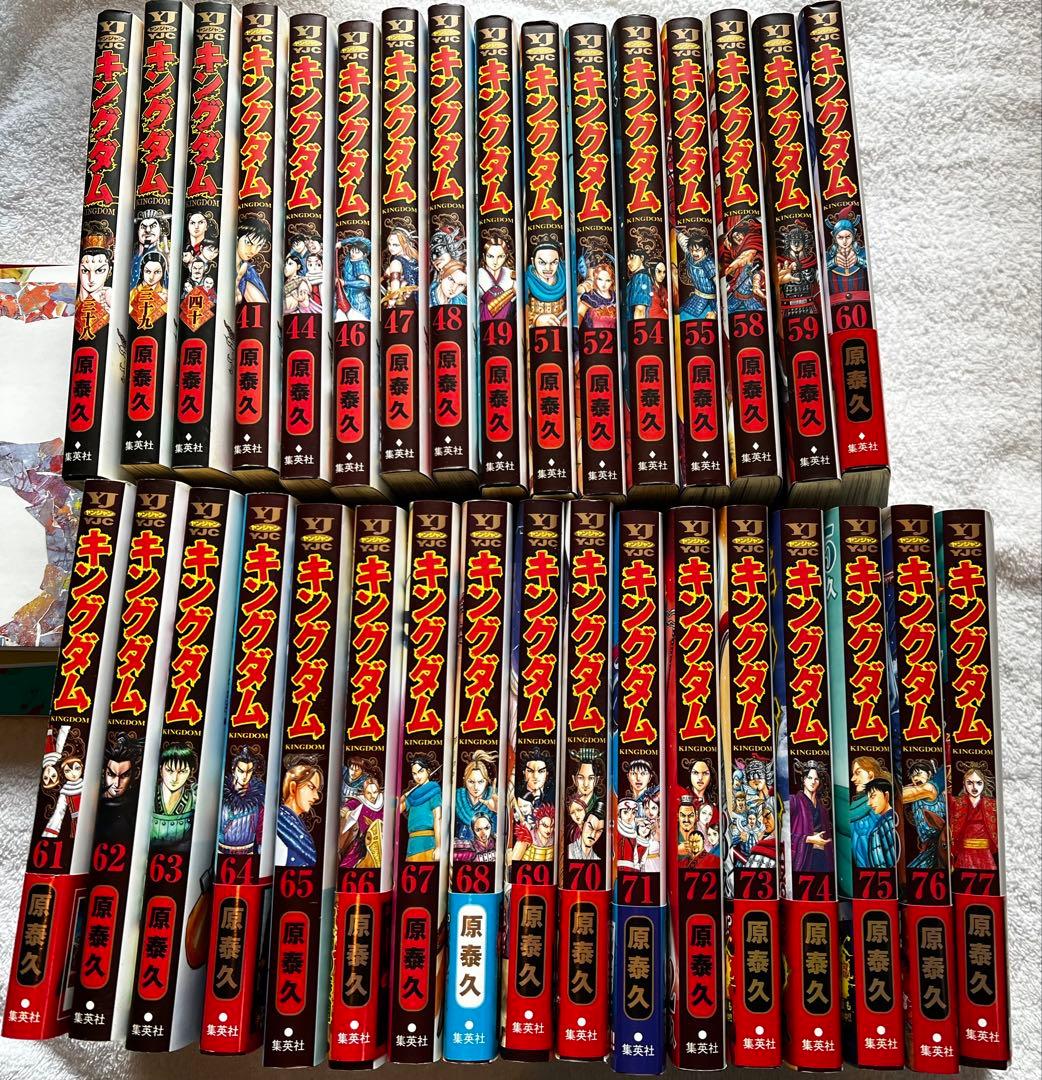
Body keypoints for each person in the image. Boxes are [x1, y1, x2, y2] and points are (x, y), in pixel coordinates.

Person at [218, 745, 265, 857]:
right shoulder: (220, 795)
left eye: (249, 771)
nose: (245, 776)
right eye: (241, 771)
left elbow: (261, 831)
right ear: (234, 770)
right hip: (221, 852)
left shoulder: (258, 800)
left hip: (248, 854)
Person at [948, 765, 998, 871]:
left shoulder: (993, 805)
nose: (974, 787)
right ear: (964, 784)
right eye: (970, 783)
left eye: (979, 783)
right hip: (965, 853)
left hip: (985, 853)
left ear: (984, 784)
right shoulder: (957, 803)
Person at [276, 760, 324, 868]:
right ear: (293, 788)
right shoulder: (280, 823)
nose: (316, 796)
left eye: (317, 790)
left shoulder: (292, 822)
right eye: (311, 787)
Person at [901, 759, 947, 870]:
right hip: (927, 847)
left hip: (940, 846)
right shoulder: (918, 790)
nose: (915, 778)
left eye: (918, 774)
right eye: (912, 776)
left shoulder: (928, 789)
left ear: (929, 774)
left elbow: (899, 795)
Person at [789, 760, 833, 874]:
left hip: (822, 858)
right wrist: (808, 839)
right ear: (804, 780)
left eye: (816, 779)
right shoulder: (793, 801)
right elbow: (783, 834)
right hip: (804, 858)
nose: (813, 782)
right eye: (809, 778)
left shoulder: (822, 807)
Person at [151, 743, 198, 848]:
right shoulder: (148, 795)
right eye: (169, 770)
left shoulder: (194, 799)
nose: (175, 778)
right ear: (161, 770)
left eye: (182, 771)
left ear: (190, 772)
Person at [399, 753, 441, 861]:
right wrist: (403, 797)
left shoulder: (434, 791)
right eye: (414, 774)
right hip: (412, 843)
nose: (417, 776)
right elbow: (396, 810)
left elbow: (438, 818)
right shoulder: (413, 795)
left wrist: (439, 846)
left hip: (428, 842)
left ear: (428, 771)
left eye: (421, 771)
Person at [340, 771, 384, 869]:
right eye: (369, 793)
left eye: (375, 792)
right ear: (364, 792)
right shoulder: (359, 801)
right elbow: (350, 805)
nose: (372, 796)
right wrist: (345, 810)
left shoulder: (384, 801)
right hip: (363, 840)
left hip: (383, 839)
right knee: (348, 863)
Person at [850, 778, 897, 869]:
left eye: (872, 796)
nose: (869, 803)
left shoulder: (889, 821)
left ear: (886, 795)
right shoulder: (882, 822)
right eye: (868, 798)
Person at [454, 749, 498, 842]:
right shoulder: (456, 797)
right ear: (465, 780)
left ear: (487, 781)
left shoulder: (494, 798)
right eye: (471, 782)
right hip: (461, 846)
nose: (476, 787)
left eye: (480, 781)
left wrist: (498, 810)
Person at [677, 227, 717, 321]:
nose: (694, 253)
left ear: (705, 249)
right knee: (683, 317)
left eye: (698, 250)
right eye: (692, 250)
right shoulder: (690, 255)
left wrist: (715, 311)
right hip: (697, 298)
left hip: (711, 302)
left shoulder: (709, 264)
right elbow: (681, 239)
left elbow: (721, 287)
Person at [477, 231, 516, 322]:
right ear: (484, 256)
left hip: (507, 323)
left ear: (506, 256)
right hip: (483, 324)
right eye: (490, 256)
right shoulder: (478, 275)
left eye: (500, 256)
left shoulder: (512, 275)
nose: (495, 261)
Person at [525, 241, 566, 326]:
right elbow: (517, 311)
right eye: (542, 263)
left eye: (554, 262)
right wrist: (536, 319)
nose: (548, 268)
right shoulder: (527, 280)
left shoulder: (565, 277)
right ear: (533, 262)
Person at [382, 229, 420, 308]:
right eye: (389, 244)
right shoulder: (413, 259)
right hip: (417, 301)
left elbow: (395, 291)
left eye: (395, 245)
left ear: (404, 244)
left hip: (403, 303)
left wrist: (390, 304)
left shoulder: (395, 263)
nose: (391, 247)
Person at [336, 237, 372, 320]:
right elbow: (356, 239)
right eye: (352, 250)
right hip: (347, 297)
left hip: (358, 302)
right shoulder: (349, 258)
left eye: (357, 252)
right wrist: (342, 243)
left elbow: (366, 283)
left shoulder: (361, 265)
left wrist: (345, 283)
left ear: (364, 254)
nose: (353, 254)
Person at [430, 227, 468, 306]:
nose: (453, 289)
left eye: (461, 285)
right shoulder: (424, 296)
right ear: (442, 274)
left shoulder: (464, 301)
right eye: (451, 279)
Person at [576, 262, 617, 330]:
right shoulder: (589, 297)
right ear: (595, 279)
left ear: (612, 281)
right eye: (600, 279)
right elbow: (579, 316)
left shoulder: (615, 297)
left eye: (607, 280)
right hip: (592, 334)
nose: (603, 284)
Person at [236, 223, 270, 304]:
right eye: (248, 242)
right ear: (237, 238)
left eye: (259, 245)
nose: (253, 251)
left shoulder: (249, 272)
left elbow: (261, 305)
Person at [625, 251, 652, 320]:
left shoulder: (641, 277)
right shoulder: (636, 277)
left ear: (642, 258)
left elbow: (640, 310)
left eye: (632, 258)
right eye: (627, 260)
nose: (628, 263)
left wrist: (637, 326)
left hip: (636, 323)